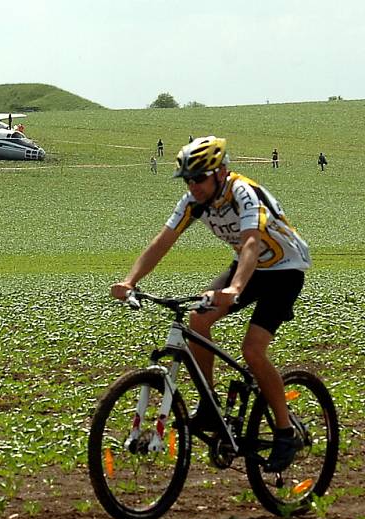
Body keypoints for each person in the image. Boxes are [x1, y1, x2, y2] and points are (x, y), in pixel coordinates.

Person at [111, 136, 311, 472]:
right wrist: (131, 280)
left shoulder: (244, 193)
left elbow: (251, 243)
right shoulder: (193, 201)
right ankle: (209, 405)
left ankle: (284, 430)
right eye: (188, 179)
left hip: (284, 270)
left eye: (199, 178)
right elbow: (163, 241)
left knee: (253, 350)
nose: (193, 186)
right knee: (197, 320)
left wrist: (234, 289)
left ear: (221, 172)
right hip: (249, 269)